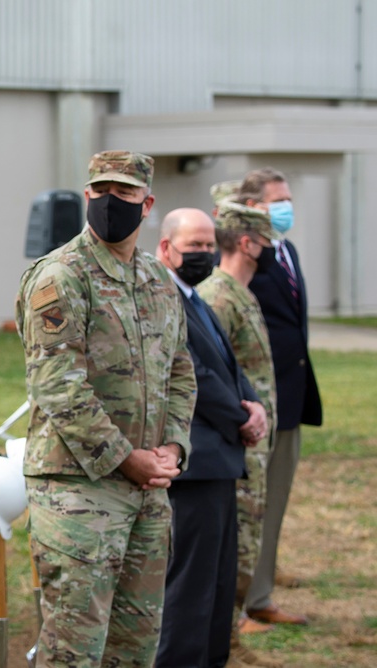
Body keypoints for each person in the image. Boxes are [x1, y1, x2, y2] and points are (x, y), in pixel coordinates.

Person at [15, 150, 197, 667]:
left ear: (148, 204)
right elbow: (57, 385)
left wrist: (173, 447)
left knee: (134, 649)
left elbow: (181, 369)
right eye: (100, 191)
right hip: (77, 491)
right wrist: (126, 458)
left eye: (124, 194)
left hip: (147, 492)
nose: (109, 202)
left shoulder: (159, 280)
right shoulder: (61, 276)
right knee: (73, 650)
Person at [154, 208, 268, 668]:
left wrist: (253, 402)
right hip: (196, 463)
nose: (202, 254)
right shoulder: (164, 298)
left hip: (221, 461)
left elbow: (227, 363)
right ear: (166, 248)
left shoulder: (196, 298)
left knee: (219, 585)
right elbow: (190, 372)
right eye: (192, 246)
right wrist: (238, 416)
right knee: (191, 589)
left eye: (207, 245)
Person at [199, 199, 284, 668]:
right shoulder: (219, 296)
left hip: (252, 444)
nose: (272, 249)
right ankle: (222, 641)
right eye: (268, 241)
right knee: (232, 548)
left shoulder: (241, 292)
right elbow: (211, 375)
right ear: (248, 243)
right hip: (233, 447)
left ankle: (228, 639)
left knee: (244, 546)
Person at [241, 167, 320, 628]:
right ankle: (244, 600)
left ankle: (260, 594)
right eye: (279, 200)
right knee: (250, 505)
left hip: (291, 397)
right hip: (256, 404)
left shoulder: (286, 249)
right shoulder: (243, 258)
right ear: (254, 208)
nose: (287, 207)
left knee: (275, 501)